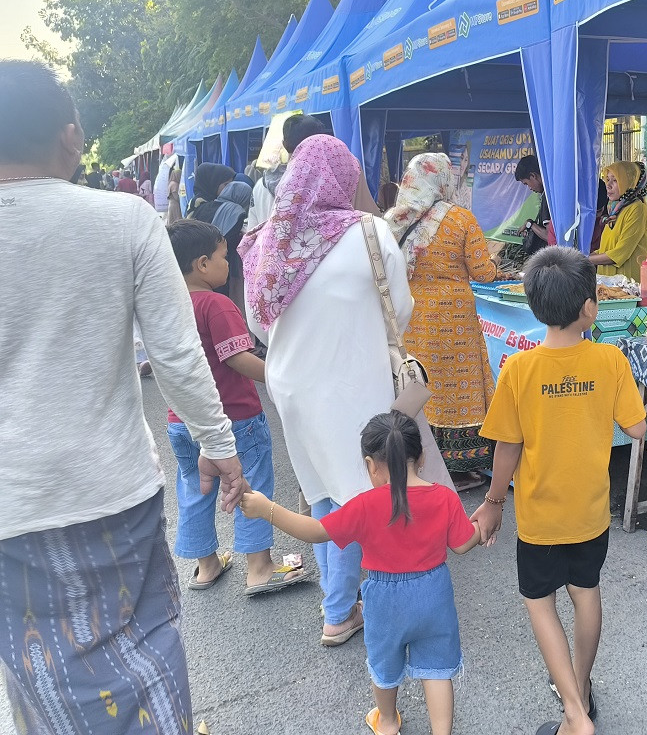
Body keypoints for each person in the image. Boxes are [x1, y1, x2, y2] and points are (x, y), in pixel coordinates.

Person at [0, 60, 246, 735]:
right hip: (112, 491)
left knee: (38, 672)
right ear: (71, 137)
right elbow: (175, 356)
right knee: (143, 645)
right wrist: (219, 445)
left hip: (10, 510)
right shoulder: (123, 220)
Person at [240, 134, 414, 646]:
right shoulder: (368, 233)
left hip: (292, 385)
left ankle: (339, 607)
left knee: (323, 493)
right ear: (343, 179)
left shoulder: (268, 239)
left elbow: (258, 321)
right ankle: (372, 604)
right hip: (353, 380)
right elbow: (400, 310)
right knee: (370, 488)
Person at [474, 246, 647, 735]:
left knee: (539, 601)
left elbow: (506, 449)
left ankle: (573, 711)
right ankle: (583, 690)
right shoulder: (610, 360)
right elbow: (635, 430)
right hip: (590, 514)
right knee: (586, 592)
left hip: (539, 519)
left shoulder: (518, 370)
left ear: (534, 307)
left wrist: (492, 504)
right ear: (590, 309)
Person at [242, 412, 481, 735]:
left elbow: (315, 530)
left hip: (385, 601)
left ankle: (386, 721)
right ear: (421, 458)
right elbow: (464, 544)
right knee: (436, 670)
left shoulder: (364, 504)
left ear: (371, 465)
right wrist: (482, 526)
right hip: (433, 594)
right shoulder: (443, 498)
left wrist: (266, 509)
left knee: (384, 667)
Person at [166, 219, 307, 596]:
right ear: (202, 264)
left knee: (195, 488)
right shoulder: (216, 304)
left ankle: (206, 565)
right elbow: (237, 359)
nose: (230, 265)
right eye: (223, 256)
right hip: (235, 418)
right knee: (250, 485)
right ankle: (259, 567)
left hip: (181, 421)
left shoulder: (165, 304)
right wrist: (281, 378)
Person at [387, 153, 499, 490]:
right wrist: (493, 264)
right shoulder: (461, 219)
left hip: (414, 319)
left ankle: (419, 459)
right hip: (455, 326)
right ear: (443, 180)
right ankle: (460, 468)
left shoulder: (396, 221)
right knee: (457, 394)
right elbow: (483, 272)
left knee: (422, 384)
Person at [192, 178, 252, 309]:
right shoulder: (237, 211)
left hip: (196, 255)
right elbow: (230, 241)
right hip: (218, 259)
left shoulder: (206, 205)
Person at [588, 161, 647, 281]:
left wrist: (585, 259)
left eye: (615, 180)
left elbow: (619, 253)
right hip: (609, 283)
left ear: (629, 183)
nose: (608, 185)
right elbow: (606, 250)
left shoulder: (637, 209)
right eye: (607, 179)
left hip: (628, 285)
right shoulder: (615, 211)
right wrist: (580, 257)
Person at [513, 153, 555, 254]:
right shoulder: (553, 192)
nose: (530, 188)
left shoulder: (547, 198)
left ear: (533, 176)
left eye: (526, 183)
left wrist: (531, 225)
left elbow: (549, 237)